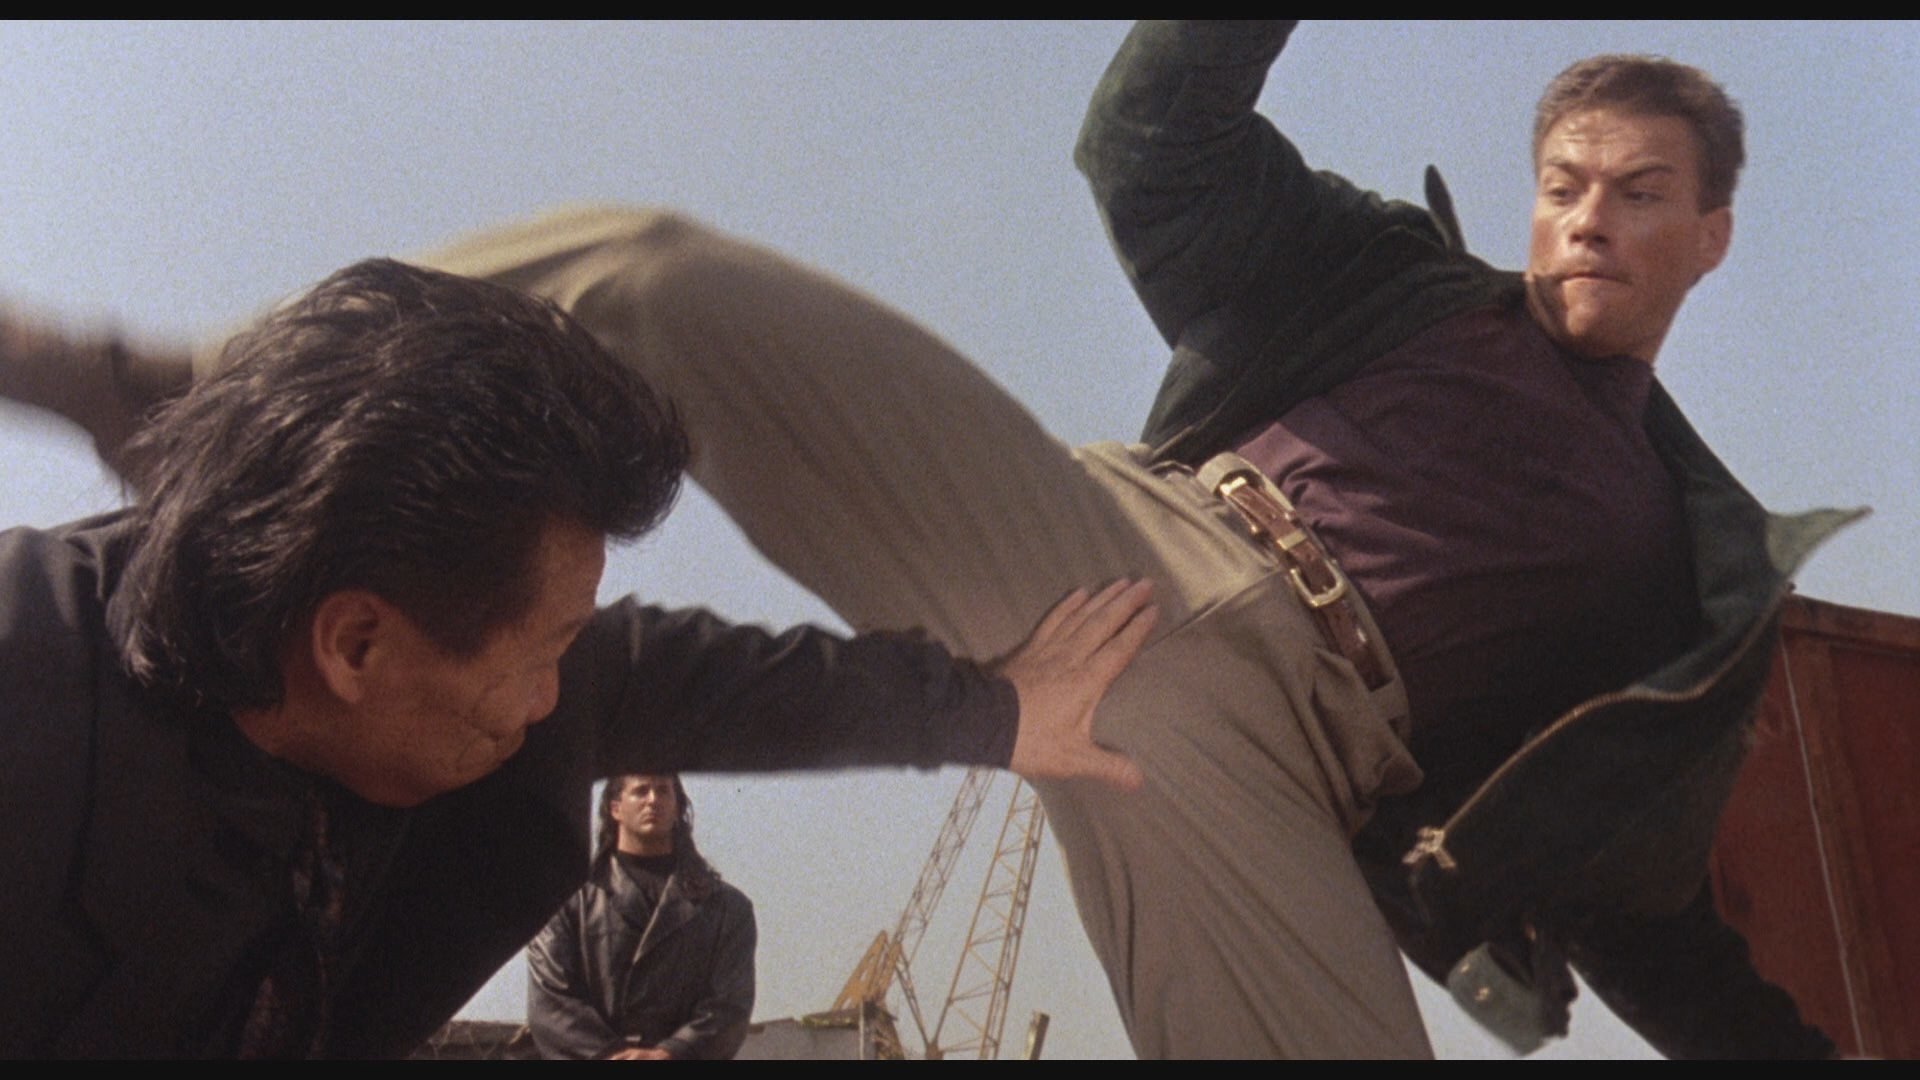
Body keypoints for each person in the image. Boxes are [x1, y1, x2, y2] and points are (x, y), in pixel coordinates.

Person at [0, 22, 1856, 1058]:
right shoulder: (1399, 284)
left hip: (1274, 767)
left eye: (1640, 196)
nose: (1588, 220)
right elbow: (1152, 136)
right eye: (1563, 184)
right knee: (648, 271)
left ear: (1711, 235)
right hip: (1121, 553)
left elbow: (1648, 915)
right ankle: (208, 403)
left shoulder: (1678, 565)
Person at [0, 259, 1155, 1058]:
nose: (557, 694)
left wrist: (997, 712)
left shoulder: (453, 658)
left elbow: (705, 681)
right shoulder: (31, 729)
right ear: (356, 645)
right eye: (545, 651)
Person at [526, 774, 755, 1060]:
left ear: (677, 807)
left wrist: (669, 1053)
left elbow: (730, 1005)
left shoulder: (726, 906)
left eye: (663, 791)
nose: (653, 800)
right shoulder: (565, 901)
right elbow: (551, 1000)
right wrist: (610, 1055)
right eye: (641, 791)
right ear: (615, 808)